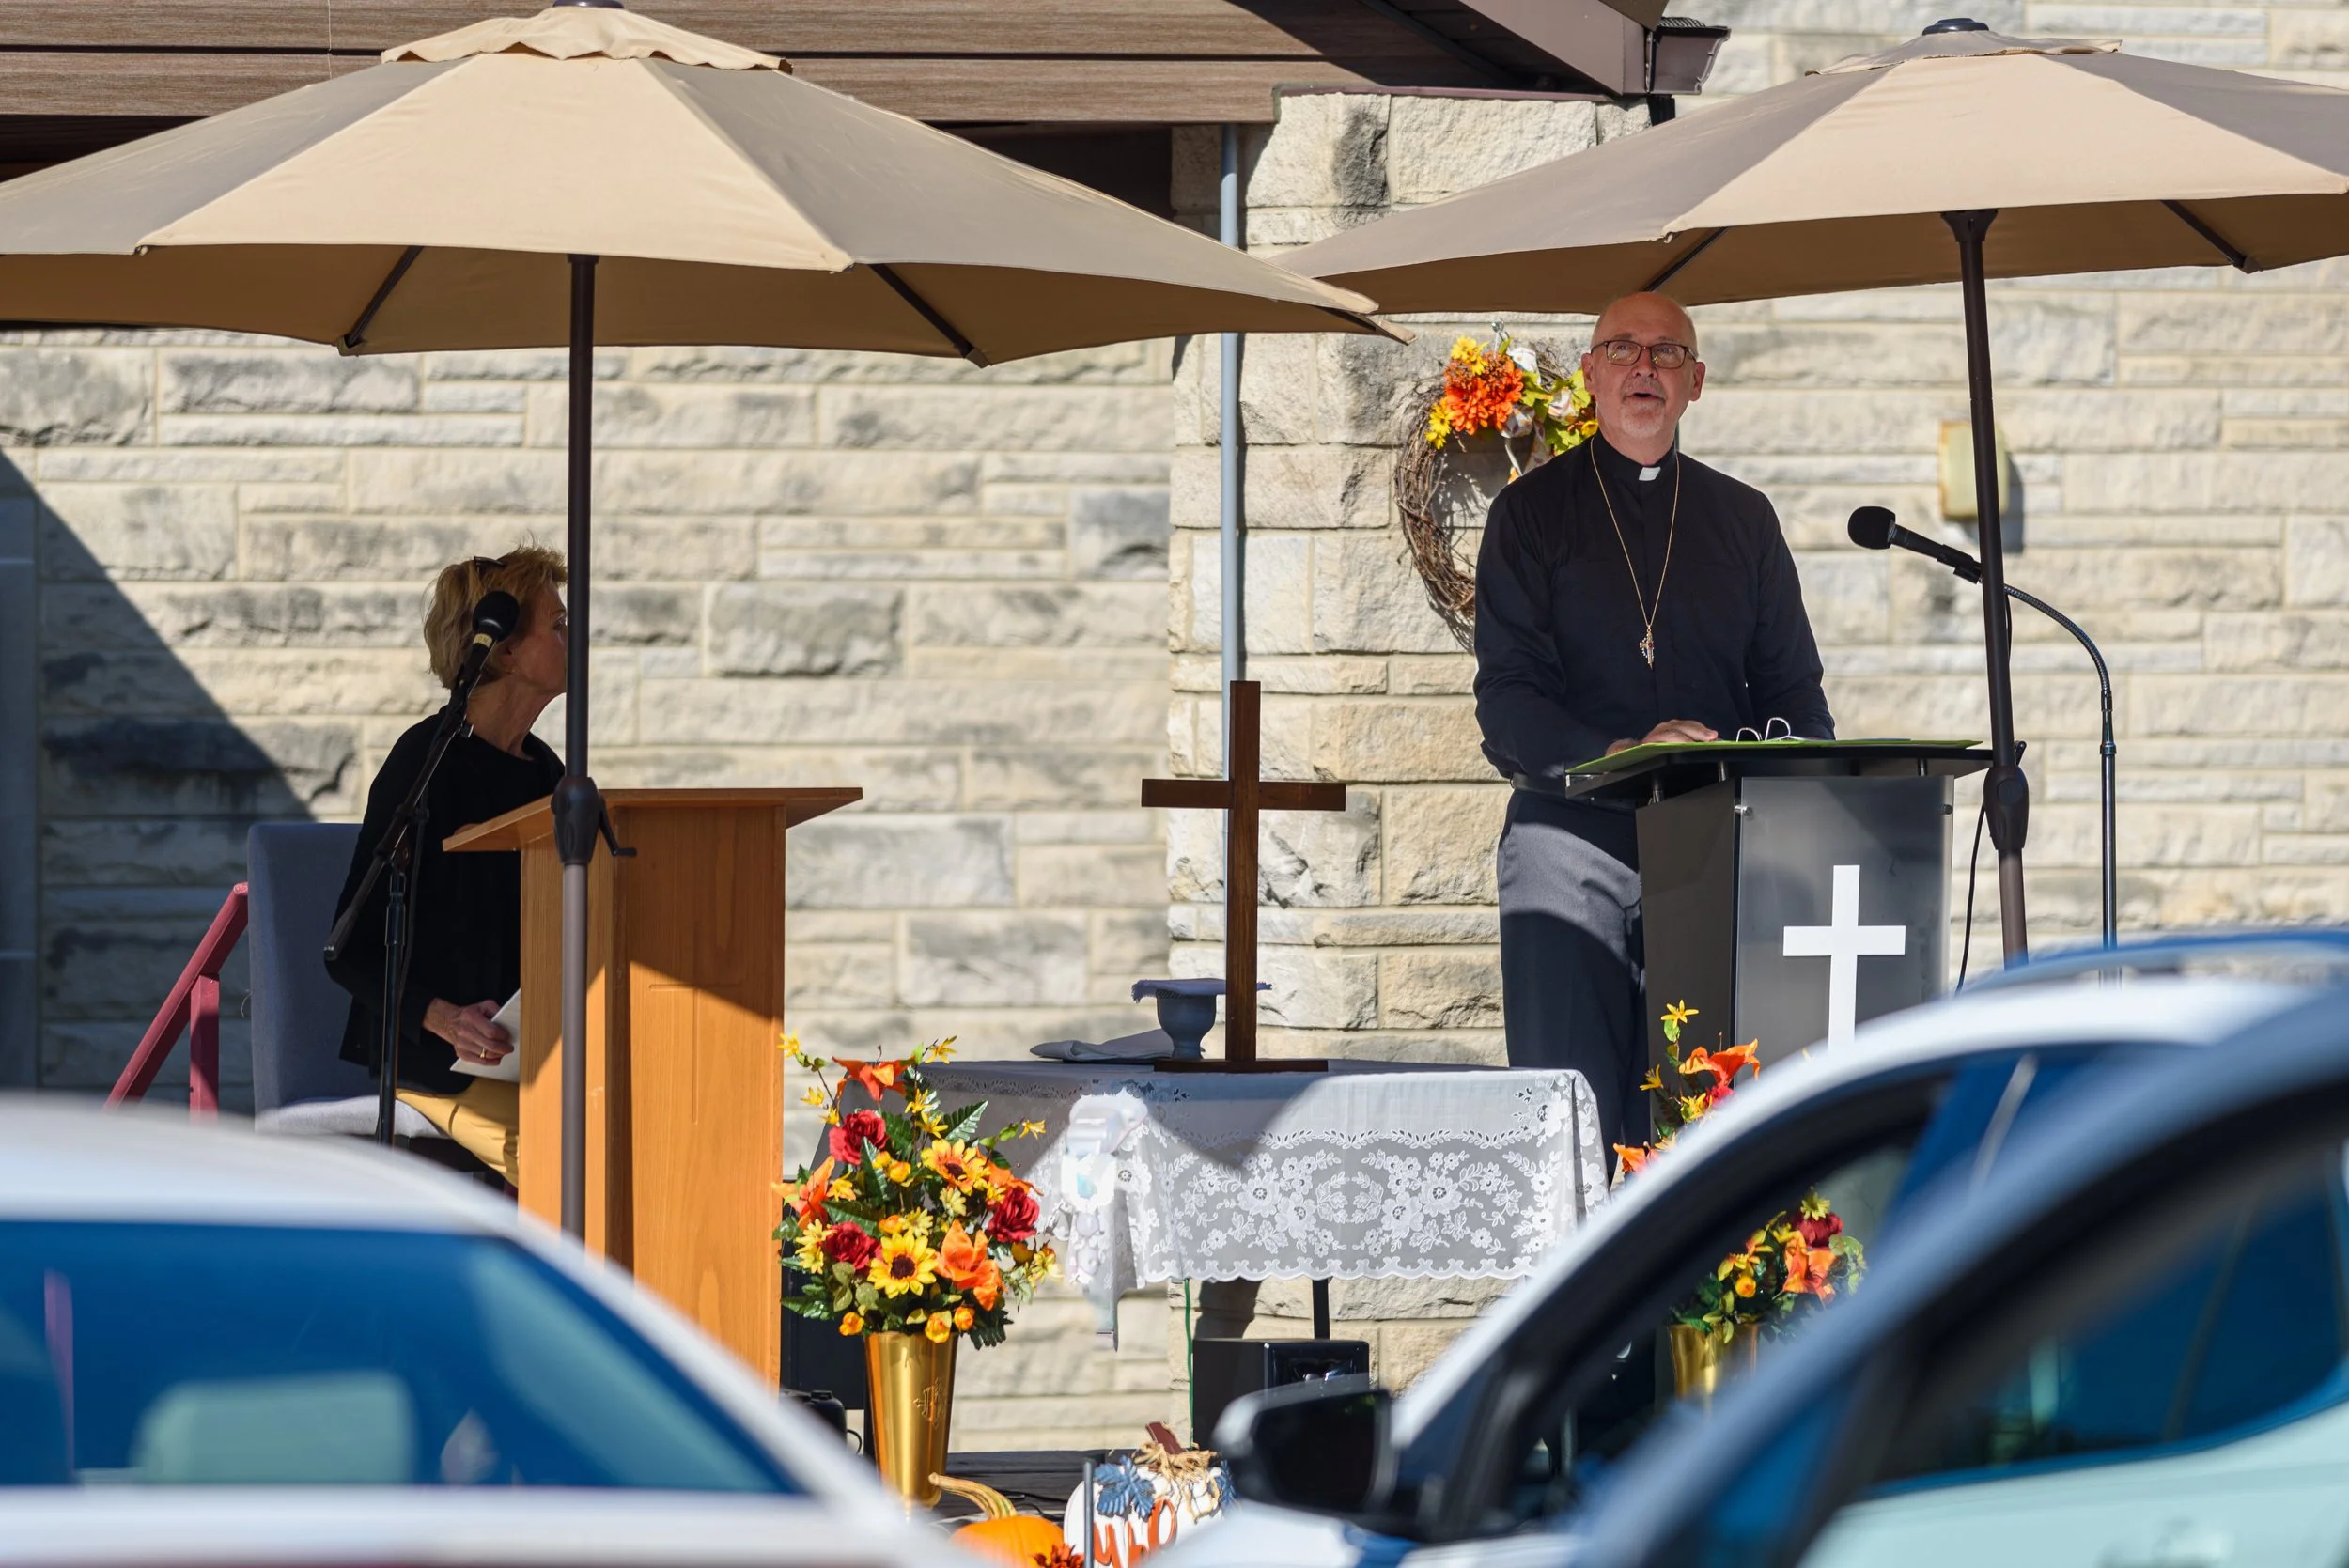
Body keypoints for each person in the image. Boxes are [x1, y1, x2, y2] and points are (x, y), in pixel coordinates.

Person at [1473, 293, 1833, 1162]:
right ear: (1591, 374)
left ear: (1697, 382)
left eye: (1668, 353)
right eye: (1624, 350)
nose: (1645, 368)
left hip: (1714, 843)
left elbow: (1794, 693)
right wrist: (1620, 752)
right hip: (1571, 838)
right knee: (1572, 1117)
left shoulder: (1743, 520)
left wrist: (1786, 791)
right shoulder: (1529, 515)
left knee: (1711, 1119)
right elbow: (1509, 699)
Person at [326, 548, 568, 1187]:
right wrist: (441, 1017)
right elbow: (345, 950)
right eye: (559, 626)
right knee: (563, 1164)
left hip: (525, 1061)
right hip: (435, 1065)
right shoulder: (423, 764)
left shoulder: (548, 773)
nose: (576, 639)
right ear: (507, 652)